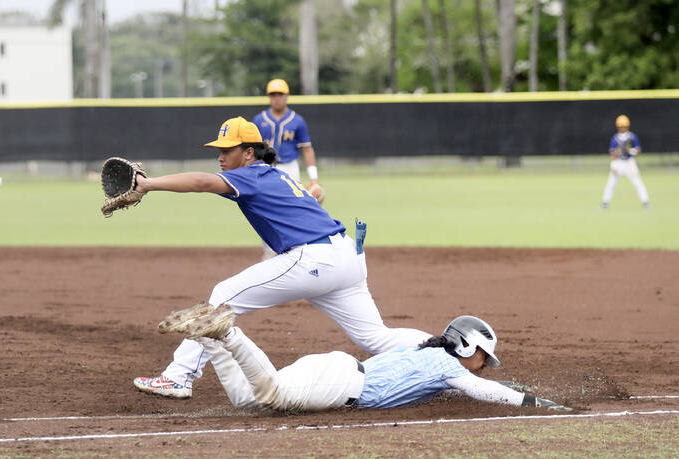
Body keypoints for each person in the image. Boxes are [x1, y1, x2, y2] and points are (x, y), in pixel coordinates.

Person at [132, 116, 430, 399]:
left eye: (227, 150)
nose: (220, 157)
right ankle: (448, 352)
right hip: (347, 256)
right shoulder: (277, 175)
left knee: (223, 296)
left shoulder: (250, 175)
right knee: (375, 337)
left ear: (248, 153)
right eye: (219, 151)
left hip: (315, 259)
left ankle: (178, 376)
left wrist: (148, 184)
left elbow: (201, 182)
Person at [156, 302, 572, 412]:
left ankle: (209, 339)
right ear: (466, 346)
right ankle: (228, 332)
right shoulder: (447, 366)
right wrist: (539, 403)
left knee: (247, 400)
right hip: (341, 383)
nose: (483, 365)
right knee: (271, 395)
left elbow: (477, 386)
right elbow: (485, 391)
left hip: (333, 369)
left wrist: (512, 388)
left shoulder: (423, 348)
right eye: (483, 357)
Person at [253, 79, 324, 259]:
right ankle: (270, 251)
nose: (277, 98)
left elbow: (306, 149)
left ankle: (292, 250)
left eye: (280, 94)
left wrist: (313, 178)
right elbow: (252, 149)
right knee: (264, 210)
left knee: (291, 209)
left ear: (287, 96)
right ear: (269, 97)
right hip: (265, 168)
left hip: (289, 167)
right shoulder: (259, 120)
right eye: (273, 95)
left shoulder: (297, 120)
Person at [601, 114, 649, 210]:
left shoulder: (632, 136)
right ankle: (605, 203)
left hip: (629, 163)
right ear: (618, 127)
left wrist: (630, 151)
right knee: (610, 184)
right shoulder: (615, 138)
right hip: (618, 162)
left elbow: (638, 151)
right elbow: (612, 154)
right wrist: (613, 166)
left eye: (624, 126)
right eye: (621, 126)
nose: (623, 128)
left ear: (628, 126)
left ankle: (645, 202)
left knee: (638, 183)